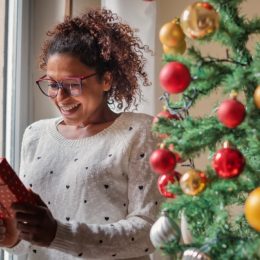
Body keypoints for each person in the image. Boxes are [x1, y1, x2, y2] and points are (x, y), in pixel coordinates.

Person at [0, 8, 163, 260]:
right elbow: (33, 243)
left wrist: (58, 233)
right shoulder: (35, 135)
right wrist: (12, 238)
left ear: (106, 80)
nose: (61, 97)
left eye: (72, 85)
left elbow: (147, 232)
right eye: (53, 85)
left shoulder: (139, 132)